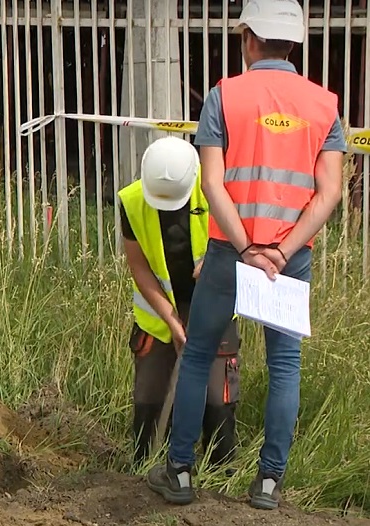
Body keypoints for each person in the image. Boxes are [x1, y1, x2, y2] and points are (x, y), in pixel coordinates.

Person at [146, 0, 347, 511]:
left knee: (197, 355)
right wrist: (281, 249)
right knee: (285, 364)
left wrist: (247, 248)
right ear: (294, 43)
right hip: (289, 257)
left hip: (228, 251)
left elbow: (211, 182)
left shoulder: (223, 96)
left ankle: (181, 472)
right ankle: (268, 485)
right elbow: (329, 194)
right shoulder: (325, 104)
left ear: (249, 40)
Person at [117, 136, 240, 470]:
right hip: (158, 316)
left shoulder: (217, 190)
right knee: (150, 398)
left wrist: (217, 261)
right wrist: (173, 321)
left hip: (213, 305)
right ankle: (145, 471)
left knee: (217, 398)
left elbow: (242, 241)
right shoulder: (132, 201)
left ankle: (220, 475)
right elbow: (139, 268)